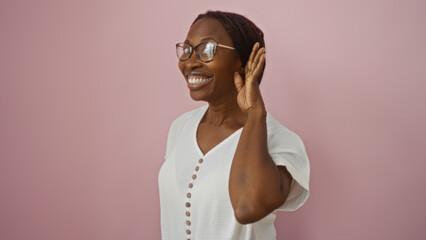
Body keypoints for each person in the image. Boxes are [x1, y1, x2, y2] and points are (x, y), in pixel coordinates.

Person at [158, 10, 310, 240]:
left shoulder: (281, 140)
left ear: (243, 61)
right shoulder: (180, 128)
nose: (190, 62)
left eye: (207, 50)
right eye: (187, 50)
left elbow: (247, 207)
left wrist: (255, 114)